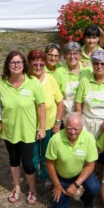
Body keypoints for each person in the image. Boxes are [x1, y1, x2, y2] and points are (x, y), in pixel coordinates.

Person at [0, 50, 46, 205]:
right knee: (13, 160)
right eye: (13, 62)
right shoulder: (1, 83)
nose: (16, 65)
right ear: (7, 65)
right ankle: (17, 187)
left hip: (27, 131)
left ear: (24, 64)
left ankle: (32, 190)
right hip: (9, 130)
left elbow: (41, 106)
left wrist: (42, 127)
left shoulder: (33, 82)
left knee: (28, 163)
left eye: (19, 62)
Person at [46, 112, 101, 208]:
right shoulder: (55, 140)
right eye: (69, 128)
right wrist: (57, 185)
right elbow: (49, 163)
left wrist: (76, 185)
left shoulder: (89, 138)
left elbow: (90, 165)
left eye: (76, 129)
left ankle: (87, 201)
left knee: (95, 188)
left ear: (82, 128)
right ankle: (61, 189)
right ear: (65, 125)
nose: (72, 132)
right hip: (62, 176)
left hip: (80, 173)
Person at [29, 49, 64, 182]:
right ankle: (31, 177)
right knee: (32, 155)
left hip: (49, 124)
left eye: (41, 64)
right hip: (30, 125)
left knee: (46, 154)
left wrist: (57, 123)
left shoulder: (50, 79)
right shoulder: (26, 79)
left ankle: (45, 177)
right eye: (35, 64)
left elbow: (60, 103)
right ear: (29, 63)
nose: (38, 67)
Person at [53, 41, 85, 116]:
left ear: (80, 55)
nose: (72, 57)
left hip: (84, 115)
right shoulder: (59, 72)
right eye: (69, 54)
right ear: (64, 56)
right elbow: (56, 98)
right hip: (64, 115)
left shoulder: (87, 71)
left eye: (75, 54)